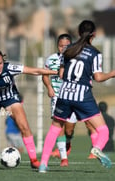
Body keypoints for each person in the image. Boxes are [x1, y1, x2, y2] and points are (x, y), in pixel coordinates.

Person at [39, 20, 115, 173]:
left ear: (78, 33)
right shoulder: (95, 53)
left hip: (64, 93)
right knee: (103, 130)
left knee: (55, 129)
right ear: (93, 35)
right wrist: (112, 74)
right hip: (83, 96)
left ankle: (43, 164)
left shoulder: (68, 50)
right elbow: (98, 77)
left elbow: (61, 74)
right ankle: (96, 149)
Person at [42, 34, 76, 167]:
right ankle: (64, 158)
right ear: (57, 46)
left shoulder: (76, 59)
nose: (63, 48)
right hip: (57, 96)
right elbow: (44, 75)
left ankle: (67, 143)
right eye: (61, 46)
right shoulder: (51, 59)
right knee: (59, 125)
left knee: (69, 130)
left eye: (66, 46)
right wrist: (49, 87)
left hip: (73, 96)